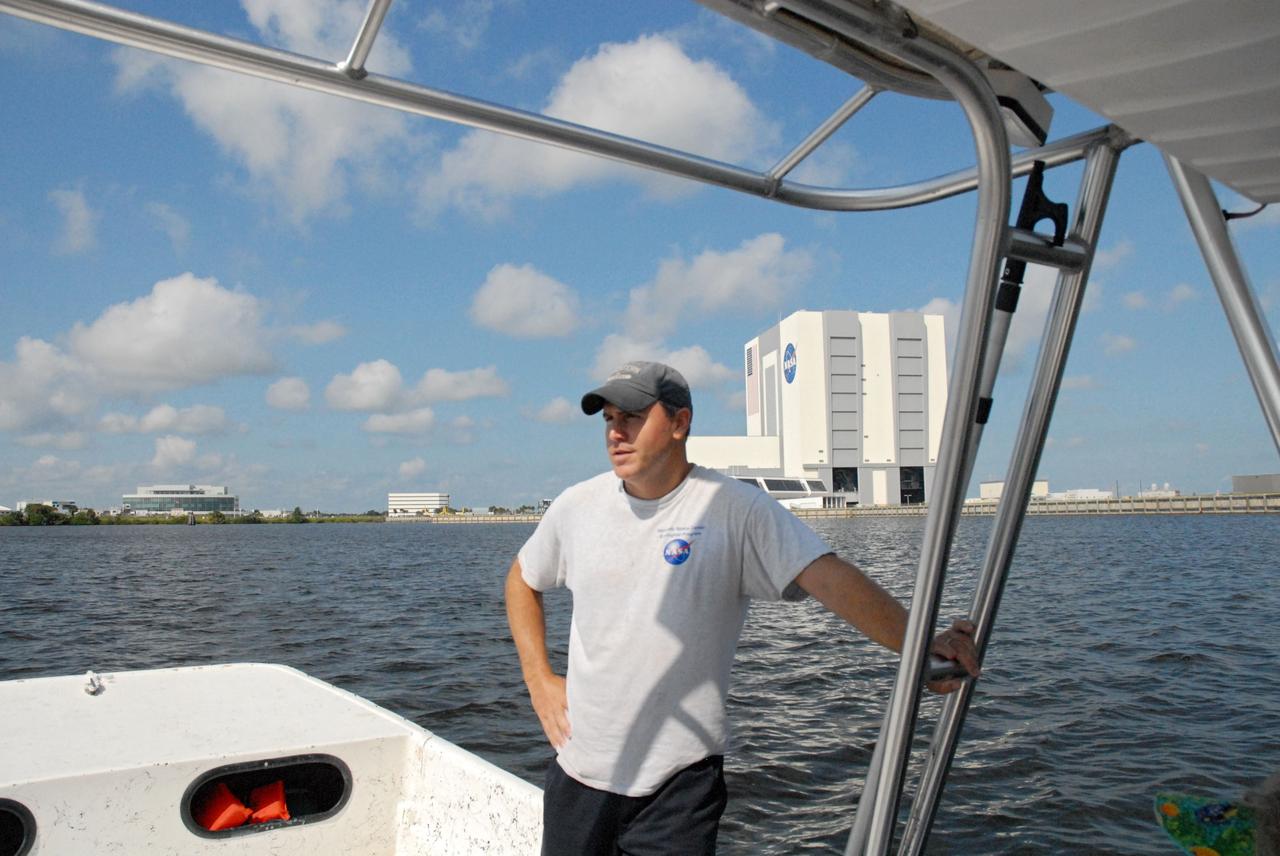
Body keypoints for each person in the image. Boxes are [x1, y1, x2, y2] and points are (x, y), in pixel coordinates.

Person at [505, 360, 980, 855]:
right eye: (608, 419)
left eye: (632, 417)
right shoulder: (577, 507)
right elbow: (522, 578)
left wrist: (920, 646)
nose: (615, 433)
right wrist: (539, 679)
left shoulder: (734, 509)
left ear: (680, 423)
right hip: (580, 773)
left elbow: (830, 578)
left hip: (677, 789)